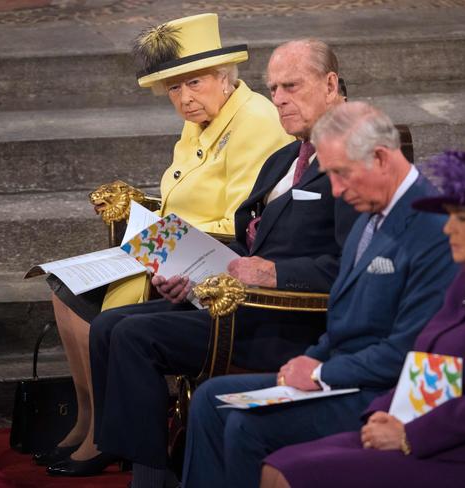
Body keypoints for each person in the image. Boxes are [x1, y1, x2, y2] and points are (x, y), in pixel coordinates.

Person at [83, 39, 360, 486]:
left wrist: (274, 272)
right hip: (236, 298)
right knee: (108, 326)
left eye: (292, 86)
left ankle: (152, 478)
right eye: (274, 89)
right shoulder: (286, 157)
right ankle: (144, 459)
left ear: (330, 85)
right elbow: (251, 242)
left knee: (134, 335)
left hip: (285, 318)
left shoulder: (354, 157)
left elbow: (355, 265)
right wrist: (190, 274)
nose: (280, 100)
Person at [36, 13, 292, 473]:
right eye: (174, 88)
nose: (184, 98)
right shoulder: (203, 119)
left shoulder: (255, 120)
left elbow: (242, 219)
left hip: (208, 262)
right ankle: (89, 418)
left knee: (102, 314)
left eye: (194, 83)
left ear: (223, 77)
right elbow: (182, 194)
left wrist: (157, 238)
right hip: (170, 246)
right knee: (63, 287)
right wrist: (145, 218)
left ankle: (106, 439)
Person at [182, 102, 459, 488]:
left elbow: (409, 350)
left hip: (382, 394)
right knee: (210, 400)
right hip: (341, 376)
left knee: (246, 424)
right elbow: (343, 321)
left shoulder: (433, 229)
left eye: (341, 174)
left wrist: (320, 372)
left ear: (380, 158)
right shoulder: (368, 212)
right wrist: (308, 361)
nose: (337, 190)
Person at [261, 150, 465, 488]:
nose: (447, 228)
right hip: (421, 432)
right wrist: (383, 413)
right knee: (278, 465)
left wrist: (408, 435)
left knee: (294, 474)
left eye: (460, 219)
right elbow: (421, 359)